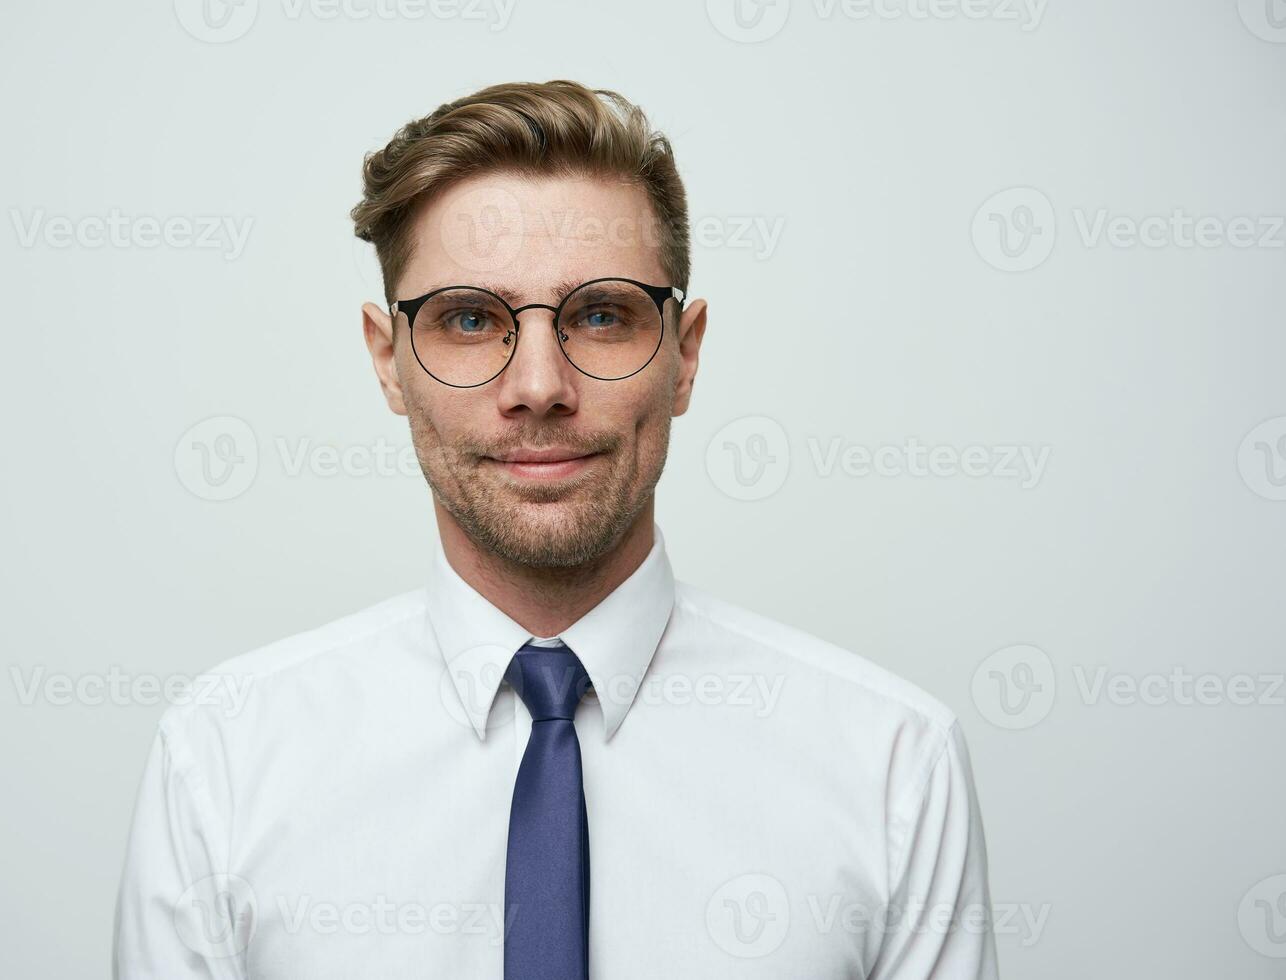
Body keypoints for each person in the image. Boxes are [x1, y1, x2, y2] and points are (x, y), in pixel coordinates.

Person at [113, 78, 998, 980]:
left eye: (602, 316)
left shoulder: (891, 767)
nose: (538, 384)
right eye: (469, 319)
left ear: (684, 357)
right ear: (389, 362)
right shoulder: (223, 762)